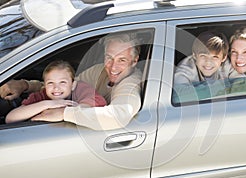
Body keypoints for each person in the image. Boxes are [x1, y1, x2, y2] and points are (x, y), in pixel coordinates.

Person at [0, 32, 142, 130]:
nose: (113, 66)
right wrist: (26, 85)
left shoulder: (131, 84)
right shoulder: (99, 70)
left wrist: (64, 113)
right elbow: (62, 86)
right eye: (109, 57)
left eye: (122, 60)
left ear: (135, 61)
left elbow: (118, 116)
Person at [5, 60, 107, 123]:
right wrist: (47, 104)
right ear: (44, 86)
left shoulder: (81, 89)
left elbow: (95, 104)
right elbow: (10, 118)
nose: (56, 88)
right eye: (50, 83)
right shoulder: (41, 96)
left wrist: (65, 111)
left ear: (73, 85)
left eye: (62, 82)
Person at [173, 30, 246, 103]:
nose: (208, 62)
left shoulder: (226, 65)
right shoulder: (186, 68)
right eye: (203, 56)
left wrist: (203, 91)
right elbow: (179, 96)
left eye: (215, 57)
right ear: (194, 55)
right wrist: (223, 87)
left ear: (223, 58)